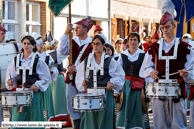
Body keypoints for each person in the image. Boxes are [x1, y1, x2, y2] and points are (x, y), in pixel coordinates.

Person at [139, 12, 194, 129]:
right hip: (159, 92)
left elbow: (192, 69)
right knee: (160, 124)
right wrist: (151, 72)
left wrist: (187, 74)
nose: (165, 30)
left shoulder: (185, 47)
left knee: (178, 124)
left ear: (174, 26)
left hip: (178, 92)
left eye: (167, 27)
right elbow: (145, 67)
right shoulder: (153, 47)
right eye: (163, 28)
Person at [75, 34, 125, 129]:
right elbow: (80, 77)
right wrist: (83, 83)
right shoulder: (86, 61)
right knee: (91, 122)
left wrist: (112, 82)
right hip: (91, 95)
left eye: (98, 44)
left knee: (105, 121)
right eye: (93, 44)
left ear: (103, 45)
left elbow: (120, 75)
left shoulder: (110, 61)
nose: (95, 46)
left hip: (106, 94)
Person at [5, 35, 51, 128]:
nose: (26, 46)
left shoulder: (38, 60)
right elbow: (12, 74)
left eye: (29, 44)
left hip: (33, 93)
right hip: (20, 93)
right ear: (22, 45)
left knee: (34, 119)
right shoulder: (17, 59)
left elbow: (46, 77)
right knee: (18, 120)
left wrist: (37, 85)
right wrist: (11, 81)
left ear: (34, 45)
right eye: (24, 43)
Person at [58, 18, 93, 129]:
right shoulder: (71, 40)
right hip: (71, 77)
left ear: (85, 29)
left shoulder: (92, 44)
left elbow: (92, 61)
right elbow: (62, 51)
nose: (76, 29)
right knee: (71, 102)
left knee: (83, 103)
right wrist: (65, 33)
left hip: (84, 78)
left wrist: (76, 68)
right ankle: (76, 126)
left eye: (78, 28)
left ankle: (85, 125)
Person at [116, 32, 150, 129]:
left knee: (139, 107)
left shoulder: (144, 55)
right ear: (128, 41)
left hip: (139, 85)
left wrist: (147, 89)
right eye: (131, 40)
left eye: (135, 40)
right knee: (125, 107)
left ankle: (138, 126)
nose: (133, 42)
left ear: (139, 42)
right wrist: (118, 89)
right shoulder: (122, 55)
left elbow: (147, 72)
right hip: (126, 85)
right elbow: (118, 73)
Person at [45, 38, 71, 126]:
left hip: (50, 79)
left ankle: (54, 122)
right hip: (59, 78)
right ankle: (68, 119)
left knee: (53, 102)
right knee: (61, 101)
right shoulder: (57, 54)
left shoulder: (44, 54)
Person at [35, 36, 58, 121]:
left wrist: (51, 71)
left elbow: (54, 68)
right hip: (36, 84)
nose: (41, 45)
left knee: (46, 105)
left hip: (45, 84)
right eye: (39, 43)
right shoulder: (33, 56)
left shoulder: (47, 56)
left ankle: (48, 121)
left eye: (42, 43)